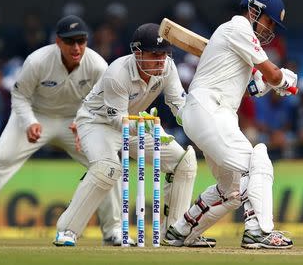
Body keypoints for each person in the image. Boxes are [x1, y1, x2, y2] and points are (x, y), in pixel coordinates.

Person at [0, 15, 134, 246]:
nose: (76, 48)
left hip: (76, 121)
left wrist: (84, 122)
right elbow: (20, 95)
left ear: (87, 41)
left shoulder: (97, 65)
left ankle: (113, 229)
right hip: (36, 116)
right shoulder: (37, 61)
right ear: (58, 42)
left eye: (81, 41)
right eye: (70, 42)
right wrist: (29, 122)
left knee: (107, 164)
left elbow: (103, 102)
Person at [53, 23, 209, 247]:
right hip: (97, 122)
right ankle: (67, 230)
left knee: (183, 161)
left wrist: (200, 127)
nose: (160, 60)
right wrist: (145, 127)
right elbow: (117, 119)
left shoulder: (167, 68)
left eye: (164, 54)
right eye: (154, 55)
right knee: (108, 168)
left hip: (134, 121)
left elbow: (178, 104)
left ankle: (176, 231)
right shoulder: (118, 73)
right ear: (138, 53)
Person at [162, 0, 296, 249]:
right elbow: (272, 74)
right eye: (269, 21)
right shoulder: (239, 28)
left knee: (231, 189)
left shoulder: (240, 41)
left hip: (209, 113)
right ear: (254, 11)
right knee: (257, 163)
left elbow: (255, 87)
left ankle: (181, 231)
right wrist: (283, 78)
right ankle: (259, 230)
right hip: (210, 109)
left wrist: (272, 82)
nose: (271, 29)